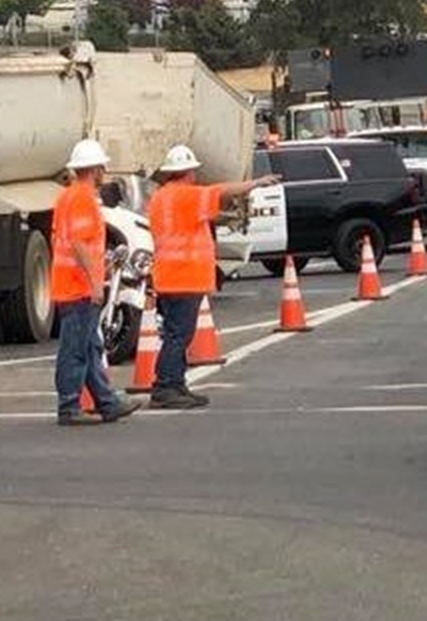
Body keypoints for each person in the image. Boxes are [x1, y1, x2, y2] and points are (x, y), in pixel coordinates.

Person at [145, 145, 278, 410]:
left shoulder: (161, 197)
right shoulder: (187, 196)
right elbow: (220, 191)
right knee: (178, 336)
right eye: (193, 171)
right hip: (185, 276)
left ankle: (174, 384)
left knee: (174, 333)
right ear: (187, 173)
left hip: (168, 275)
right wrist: (256, 183)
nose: (196, 175)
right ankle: (166, 387)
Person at [51, 140, 132, 426]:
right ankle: (69, 406)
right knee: (76, 347)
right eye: (102, 168)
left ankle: (107, 403)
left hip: (69, 283)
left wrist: (101, 266)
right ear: (95, 169)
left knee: (89, 346)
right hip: (77, 286)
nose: (104, 172)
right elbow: (79, 243)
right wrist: (96, 282)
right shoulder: (83, 198)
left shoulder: (68, 197)